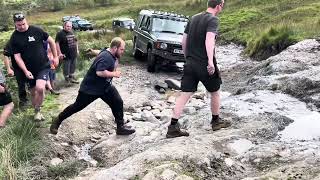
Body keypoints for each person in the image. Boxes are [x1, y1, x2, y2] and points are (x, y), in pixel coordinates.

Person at [166, 0, 231, 138]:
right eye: (222, 4)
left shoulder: (193, 18)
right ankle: (216, 121)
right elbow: (209, 41)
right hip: (204, 63)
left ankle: (172, 127)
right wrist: (210, 62)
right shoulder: (213, 20)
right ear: (219, 5)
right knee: (215, 91)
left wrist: (187, 58)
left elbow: (183, 41)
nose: (222, 7)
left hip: (190, 63)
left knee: (185, 94)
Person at [50, 37, 135, 135]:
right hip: (90, 89)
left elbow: (101, 51)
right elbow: (99, 72)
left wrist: (93, 51)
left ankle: (120, 127)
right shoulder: (106, 57)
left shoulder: (108, 52)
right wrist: (114, 74)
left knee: (117, 101)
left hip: (105, 87)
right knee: (76, 107)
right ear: (115, 48)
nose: (123, 51)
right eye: (122, 49)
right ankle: (57, 120)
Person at [10, 12, 59, 121]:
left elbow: (50, 41)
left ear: (26, 21)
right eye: (19, 25)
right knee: (33, 93)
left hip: (43, 66)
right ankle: (37, 111)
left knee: (40, 88)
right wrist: (25, 71)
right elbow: (17, 57)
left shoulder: (36, 30)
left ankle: (37, 109)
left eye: (23, 24)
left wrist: (55, 57)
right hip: (29, 69)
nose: (22, 27)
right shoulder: (14, 38)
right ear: (15, 24)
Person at [3, 40, 28, 107]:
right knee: (21, 84)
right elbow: (6, 55)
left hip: (32, 66)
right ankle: (23, 102)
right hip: (18, 68)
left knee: (34, 83)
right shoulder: (11, 42)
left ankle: (36, 100)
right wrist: (8, 69)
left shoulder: (29, 37)